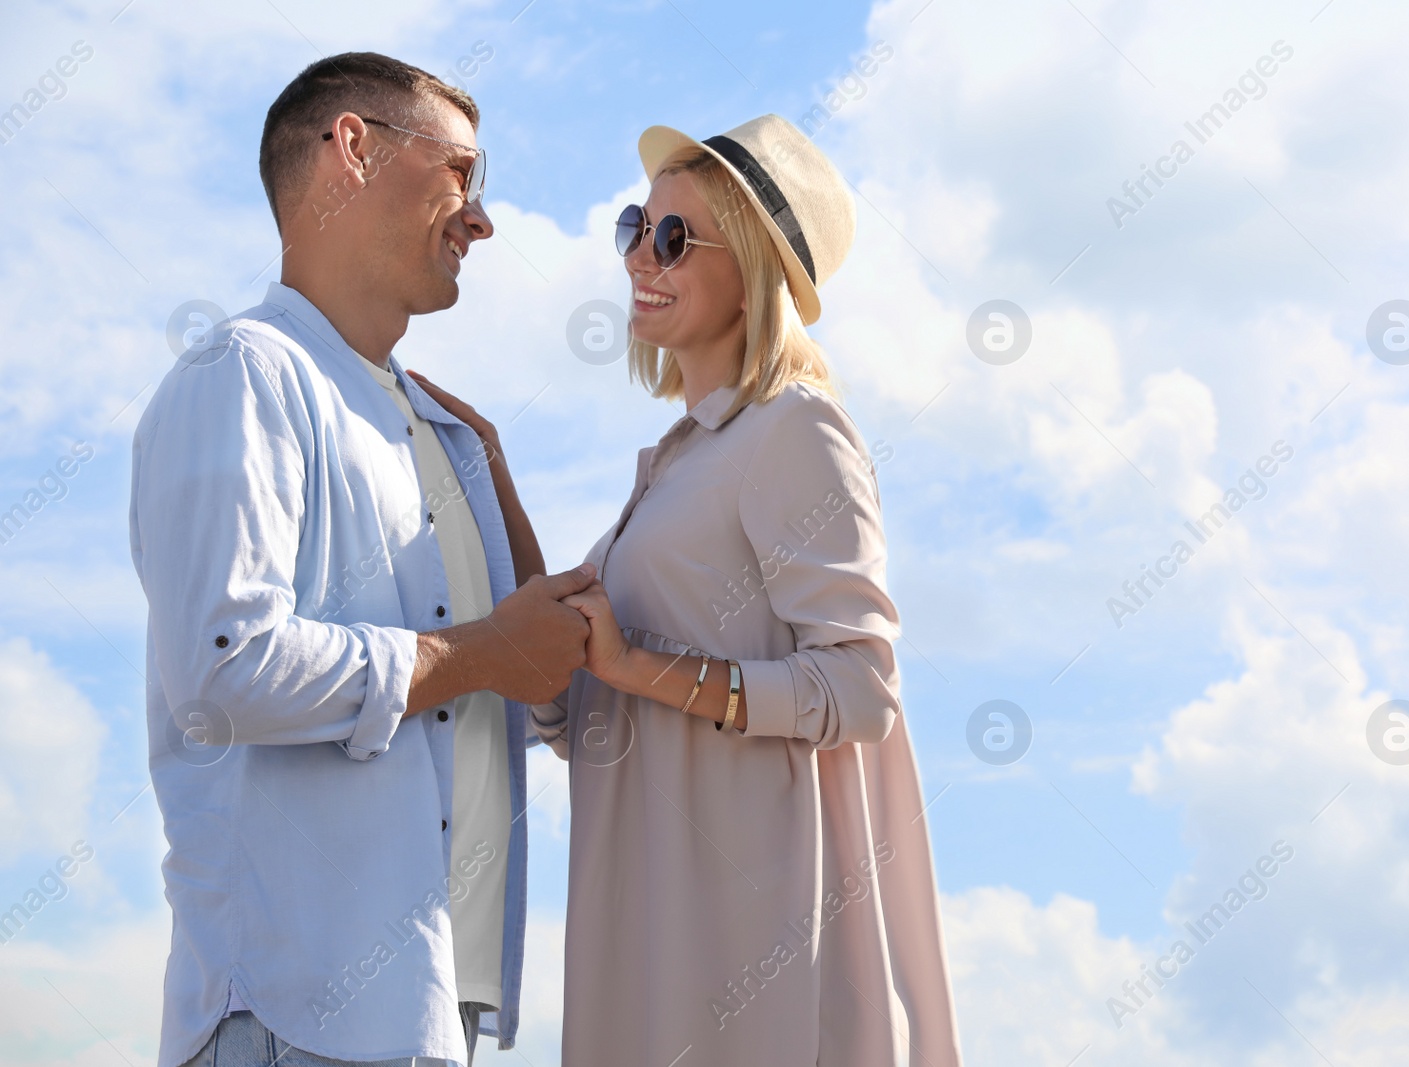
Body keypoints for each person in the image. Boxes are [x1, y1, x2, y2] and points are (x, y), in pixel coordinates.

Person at [129, 52, 594, 1067]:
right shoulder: (243, 375)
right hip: (291, 1018)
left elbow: (543, 683)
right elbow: (223, 671)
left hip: (432, 1018)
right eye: (463, 172)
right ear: (351, 149)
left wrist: (499, 493)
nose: (480, 218)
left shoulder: (452, 436)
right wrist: (475, 653)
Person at [547, 115, 963, 1065]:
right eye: (633, 229)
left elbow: (860, 688)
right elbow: (609, 708)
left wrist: (637, 665)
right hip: (651, 939)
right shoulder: (676, 465)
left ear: (756, 271)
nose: (640, 259)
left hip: (746, 954)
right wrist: (550, 673)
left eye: (674, 238)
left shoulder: (794, 430)